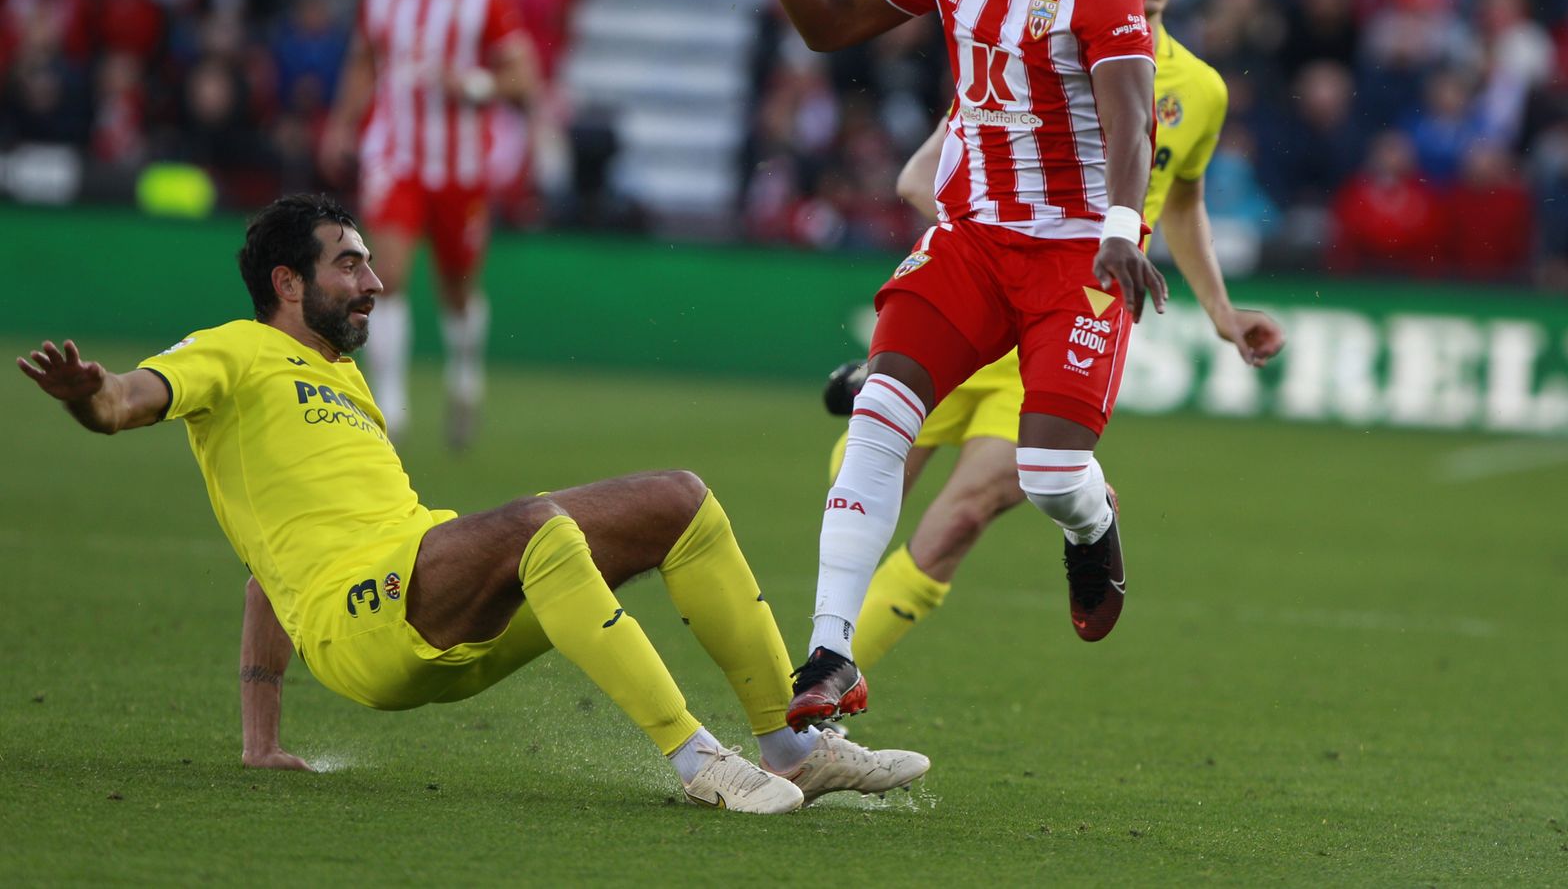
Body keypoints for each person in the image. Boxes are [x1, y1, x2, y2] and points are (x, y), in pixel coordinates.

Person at [15, 194, 929, 814]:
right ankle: (701, 765)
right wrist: (90, 397)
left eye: (370, 263)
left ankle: (790, 750)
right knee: (536, 522)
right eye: (350, 265)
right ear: (287, 283)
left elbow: (265, 567)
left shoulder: (342, 381)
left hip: (433, 580)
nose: (373, 281)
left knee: (679, 501)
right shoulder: (232, 351)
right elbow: (127, 401)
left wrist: (262, 742)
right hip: (366, 625)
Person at [718, 0, 1171, 730]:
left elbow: (1130, 115)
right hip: (968, 240)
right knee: (881, 410)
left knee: (1048, 478)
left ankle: (1094, 524)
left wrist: (1123, 230)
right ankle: (832, 655)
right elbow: (832, 21)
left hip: (1071, 260)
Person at [819, 0, 1287, 676]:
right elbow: (916, 179)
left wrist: (1220, 309)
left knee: (961, 518)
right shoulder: (1032, 44)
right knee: (860, 480)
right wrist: (1009, 235)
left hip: (1065, 317)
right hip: (983, 297)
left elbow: (1182, 199)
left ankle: (822, 695)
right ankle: (814, 670)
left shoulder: (1199, 90)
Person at [322, 0, 536, 450]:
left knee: (458, 289)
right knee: (385, 272)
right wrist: (342, 124)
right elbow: (362, 63)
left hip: (461, 166)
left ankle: (465, 374)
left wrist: (473, 85)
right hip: (395, 159)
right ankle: (390, 403)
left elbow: (524, 76)